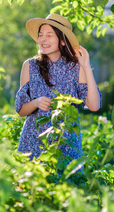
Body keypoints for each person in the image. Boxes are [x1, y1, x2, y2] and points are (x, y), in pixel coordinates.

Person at [15, 13, 101, 161]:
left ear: (62, 40)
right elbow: (21, 111)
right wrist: (36, 102)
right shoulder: (30, 66)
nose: (43, 39)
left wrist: (86, 66)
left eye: (49, 35)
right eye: (41, 35)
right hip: (33, 144)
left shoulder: (76, 67)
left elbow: (94, 106)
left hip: (66, 146)